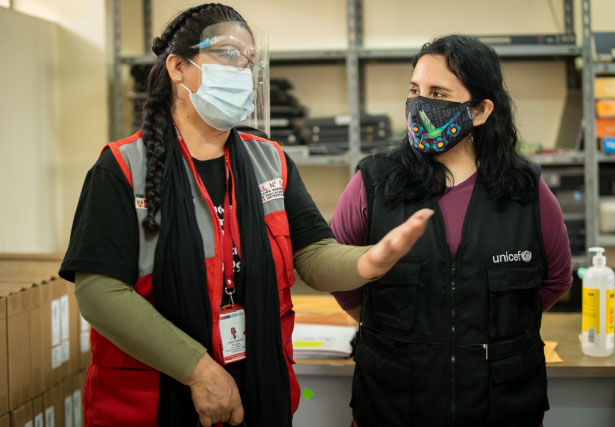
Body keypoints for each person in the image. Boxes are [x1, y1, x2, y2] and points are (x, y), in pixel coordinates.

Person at [58, 4, 432, 427]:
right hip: (152, 403)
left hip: (258, 391)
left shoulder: (269, 160)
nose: (244, 72)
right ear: (180, 68)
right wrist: (198, 370)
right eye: (230, 55)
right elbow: (99, 292)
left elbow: (314, 254)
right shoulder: (124, 167)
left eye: (250, 61)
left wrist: (369, 261)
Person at [331, 35, 573, 426]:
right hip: (394, 404)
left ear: (479, 111)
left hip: (500, 404)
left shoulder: (526, 189)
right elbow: (337, 274)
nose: (420, 105)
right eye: (414, 90)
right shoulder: (373, 183)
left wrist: (491, 326)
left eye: (438, 93)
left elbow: (556, 282)